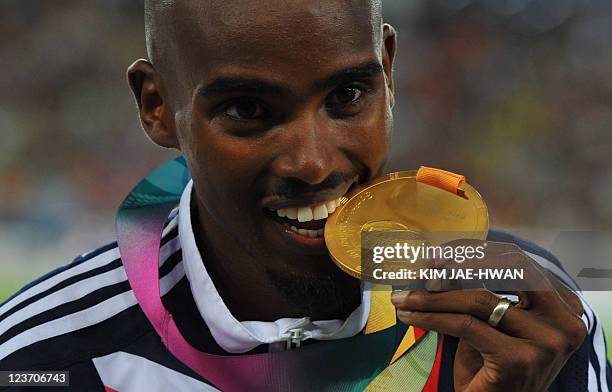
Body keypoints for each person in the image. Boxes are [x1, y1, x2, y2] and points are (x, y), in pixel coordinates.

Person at [0, 1, 610, 391]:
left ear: (389, 72)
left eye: (347, 96)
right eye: (247, 109)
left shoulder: (527, 321)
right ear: (157, 107)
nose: (313, 164)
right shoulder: (42, 360)